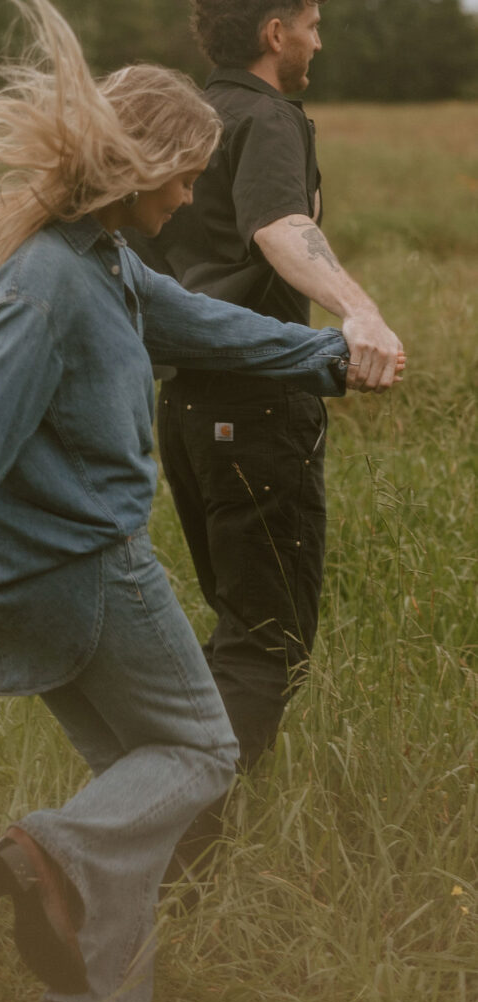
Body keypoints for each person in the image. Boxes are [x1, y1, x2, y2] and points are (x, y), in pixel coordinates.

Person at [0, 2, 364, 1002]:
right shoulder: (47, 290)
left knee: (140, 798)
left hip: (23, 587)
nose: (191, 192)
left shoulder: (102, 263)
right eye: (185, 173)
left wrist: (327, 356)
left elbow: (202, 322)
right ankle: (49, 849)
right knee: (201, 755)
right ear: (139, 168)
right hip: (87, 572)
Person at [128, 0, 405, 782]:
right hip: (255, 407)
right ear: (273, 32)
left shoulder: (188, 116)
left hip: (183, 410)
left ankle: (151, 829)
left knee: (239, 630)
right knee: (266, 645)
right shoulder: (268, 117)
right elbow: (280, 225)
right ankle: (145, 844)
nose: (318, 41)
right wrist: (362, 314)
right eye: (311, 24)